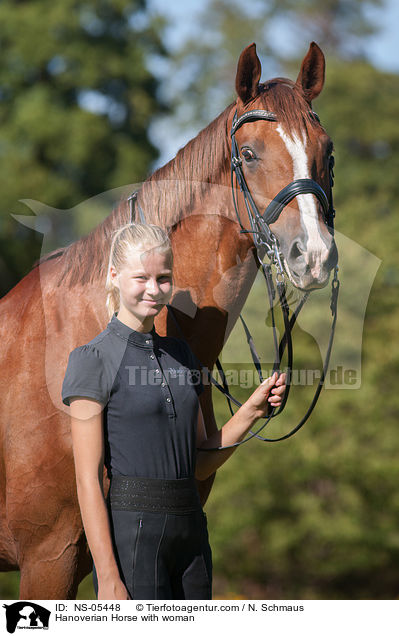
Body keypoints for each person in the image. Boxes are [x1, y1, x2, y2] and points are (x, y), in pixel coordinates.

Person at [62, 222, 286, 600]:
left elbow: (199, 462)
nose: (154, 289)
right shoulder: (91, 360)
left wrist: (251, 410)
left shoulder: (183, 357)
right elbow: (87, 480)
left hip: (193, 538)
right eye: (141, 278)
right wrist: (108, 576)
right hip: (132, 539)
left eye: (163, 278)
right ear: (115, 277)